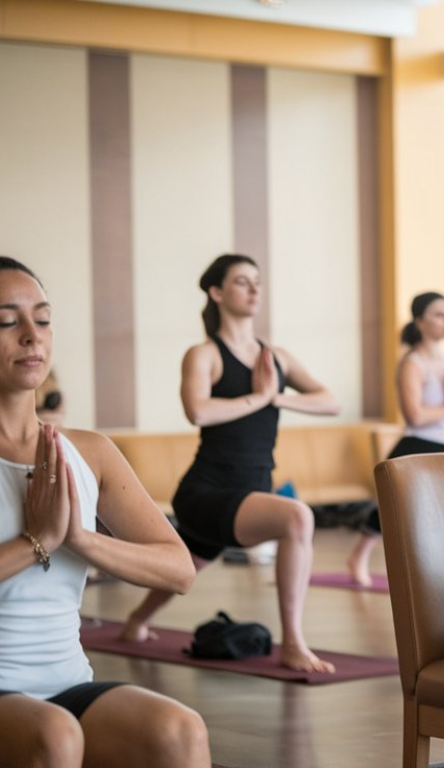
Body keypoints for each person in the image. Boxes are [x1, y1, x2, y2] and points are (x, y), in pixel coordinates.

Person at [0, 256, 208, 767]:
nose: (32, 336)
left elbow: (179, 569)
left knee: (179, 731)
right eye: (8, 322)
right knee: (53, 736)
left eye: (44, 319)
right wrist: (33, 543)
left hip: (65, 689)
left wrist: (78, 537)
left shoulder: (92, 451)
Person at [119, 254, 341, 673]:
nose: (255, 289)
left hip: (250, 491)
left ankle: (136, 620)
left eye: (257, 281)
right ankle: (293, 643)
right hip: (207, 492)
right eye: (242, 281)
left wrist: (276, 396)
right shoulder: (204, 354)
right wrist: (257, 398)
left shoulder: (277, 358)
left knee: (191, 562)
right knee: (297, 517)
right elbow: (198, 411)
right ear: (217, 293)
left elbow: (331, 401)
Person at [346, 291, 444, 586]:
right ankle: (358, 557)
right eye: (439, 314)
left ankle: (440, 570)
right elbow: (415, 416)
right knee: (395, 512)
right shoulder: (412, 364)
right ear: (419, 321)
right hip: (418, 448)